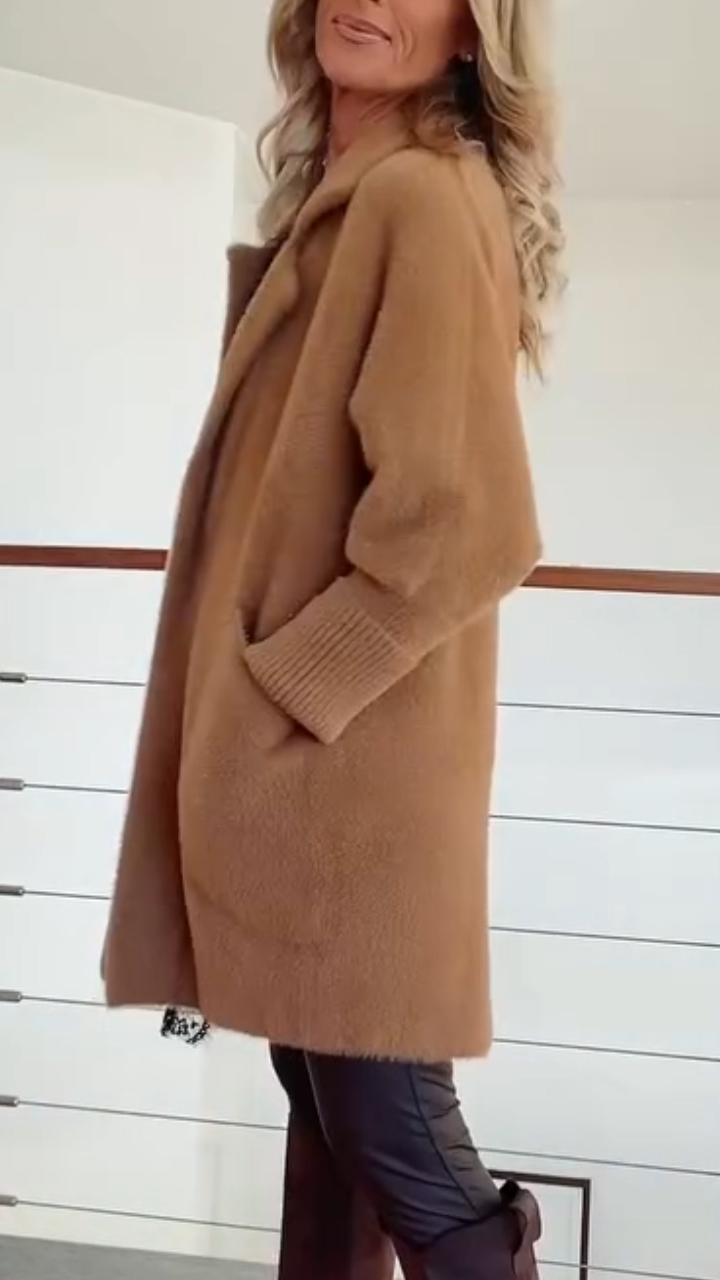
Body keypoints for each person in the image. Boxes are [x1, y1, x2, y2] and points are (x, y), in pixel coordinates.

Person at [102, 0, 564, 1276]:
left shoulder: (422, 197)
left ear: (472, 34)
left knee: (394, 1131)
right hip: (320, 767)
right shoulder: (355, 194)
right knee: (332, 1108)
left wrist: (286, 686)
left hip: (354, 774)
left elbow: (465, 523)